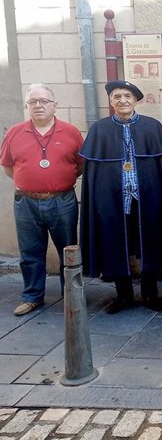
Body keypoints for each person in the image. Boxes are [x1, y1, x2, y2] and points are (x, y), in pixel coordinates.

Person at [80, 80, 162, 314]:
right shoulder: (99, 129)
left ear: (136, 100)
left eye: (127, 96)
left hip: (146, 198)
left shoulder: (152, 127)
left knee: (150, 243)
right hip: (112, 200)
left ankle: (150, 294)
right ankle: (123, 295)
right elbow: (93, 175)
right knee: (114, 243)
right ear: (111, 101)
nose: (122, 100)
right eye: (117, 96)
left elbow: (161, 171)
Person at [1, 84, 84, 316]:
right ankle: (32, 296)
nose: (38, 105)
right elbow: (8, 167)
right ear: (27, 106)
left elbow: (80, 165)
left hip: (62, 200)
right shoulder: (15, 132)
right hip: (26, 202)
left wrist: (58, 181)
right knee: (30, 252)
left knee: (68, 249)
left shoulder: (71, 132)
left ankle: (70, 295)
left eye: (44, 101)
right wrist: (30, 183)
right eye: (33, 102)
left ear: (55, 105)